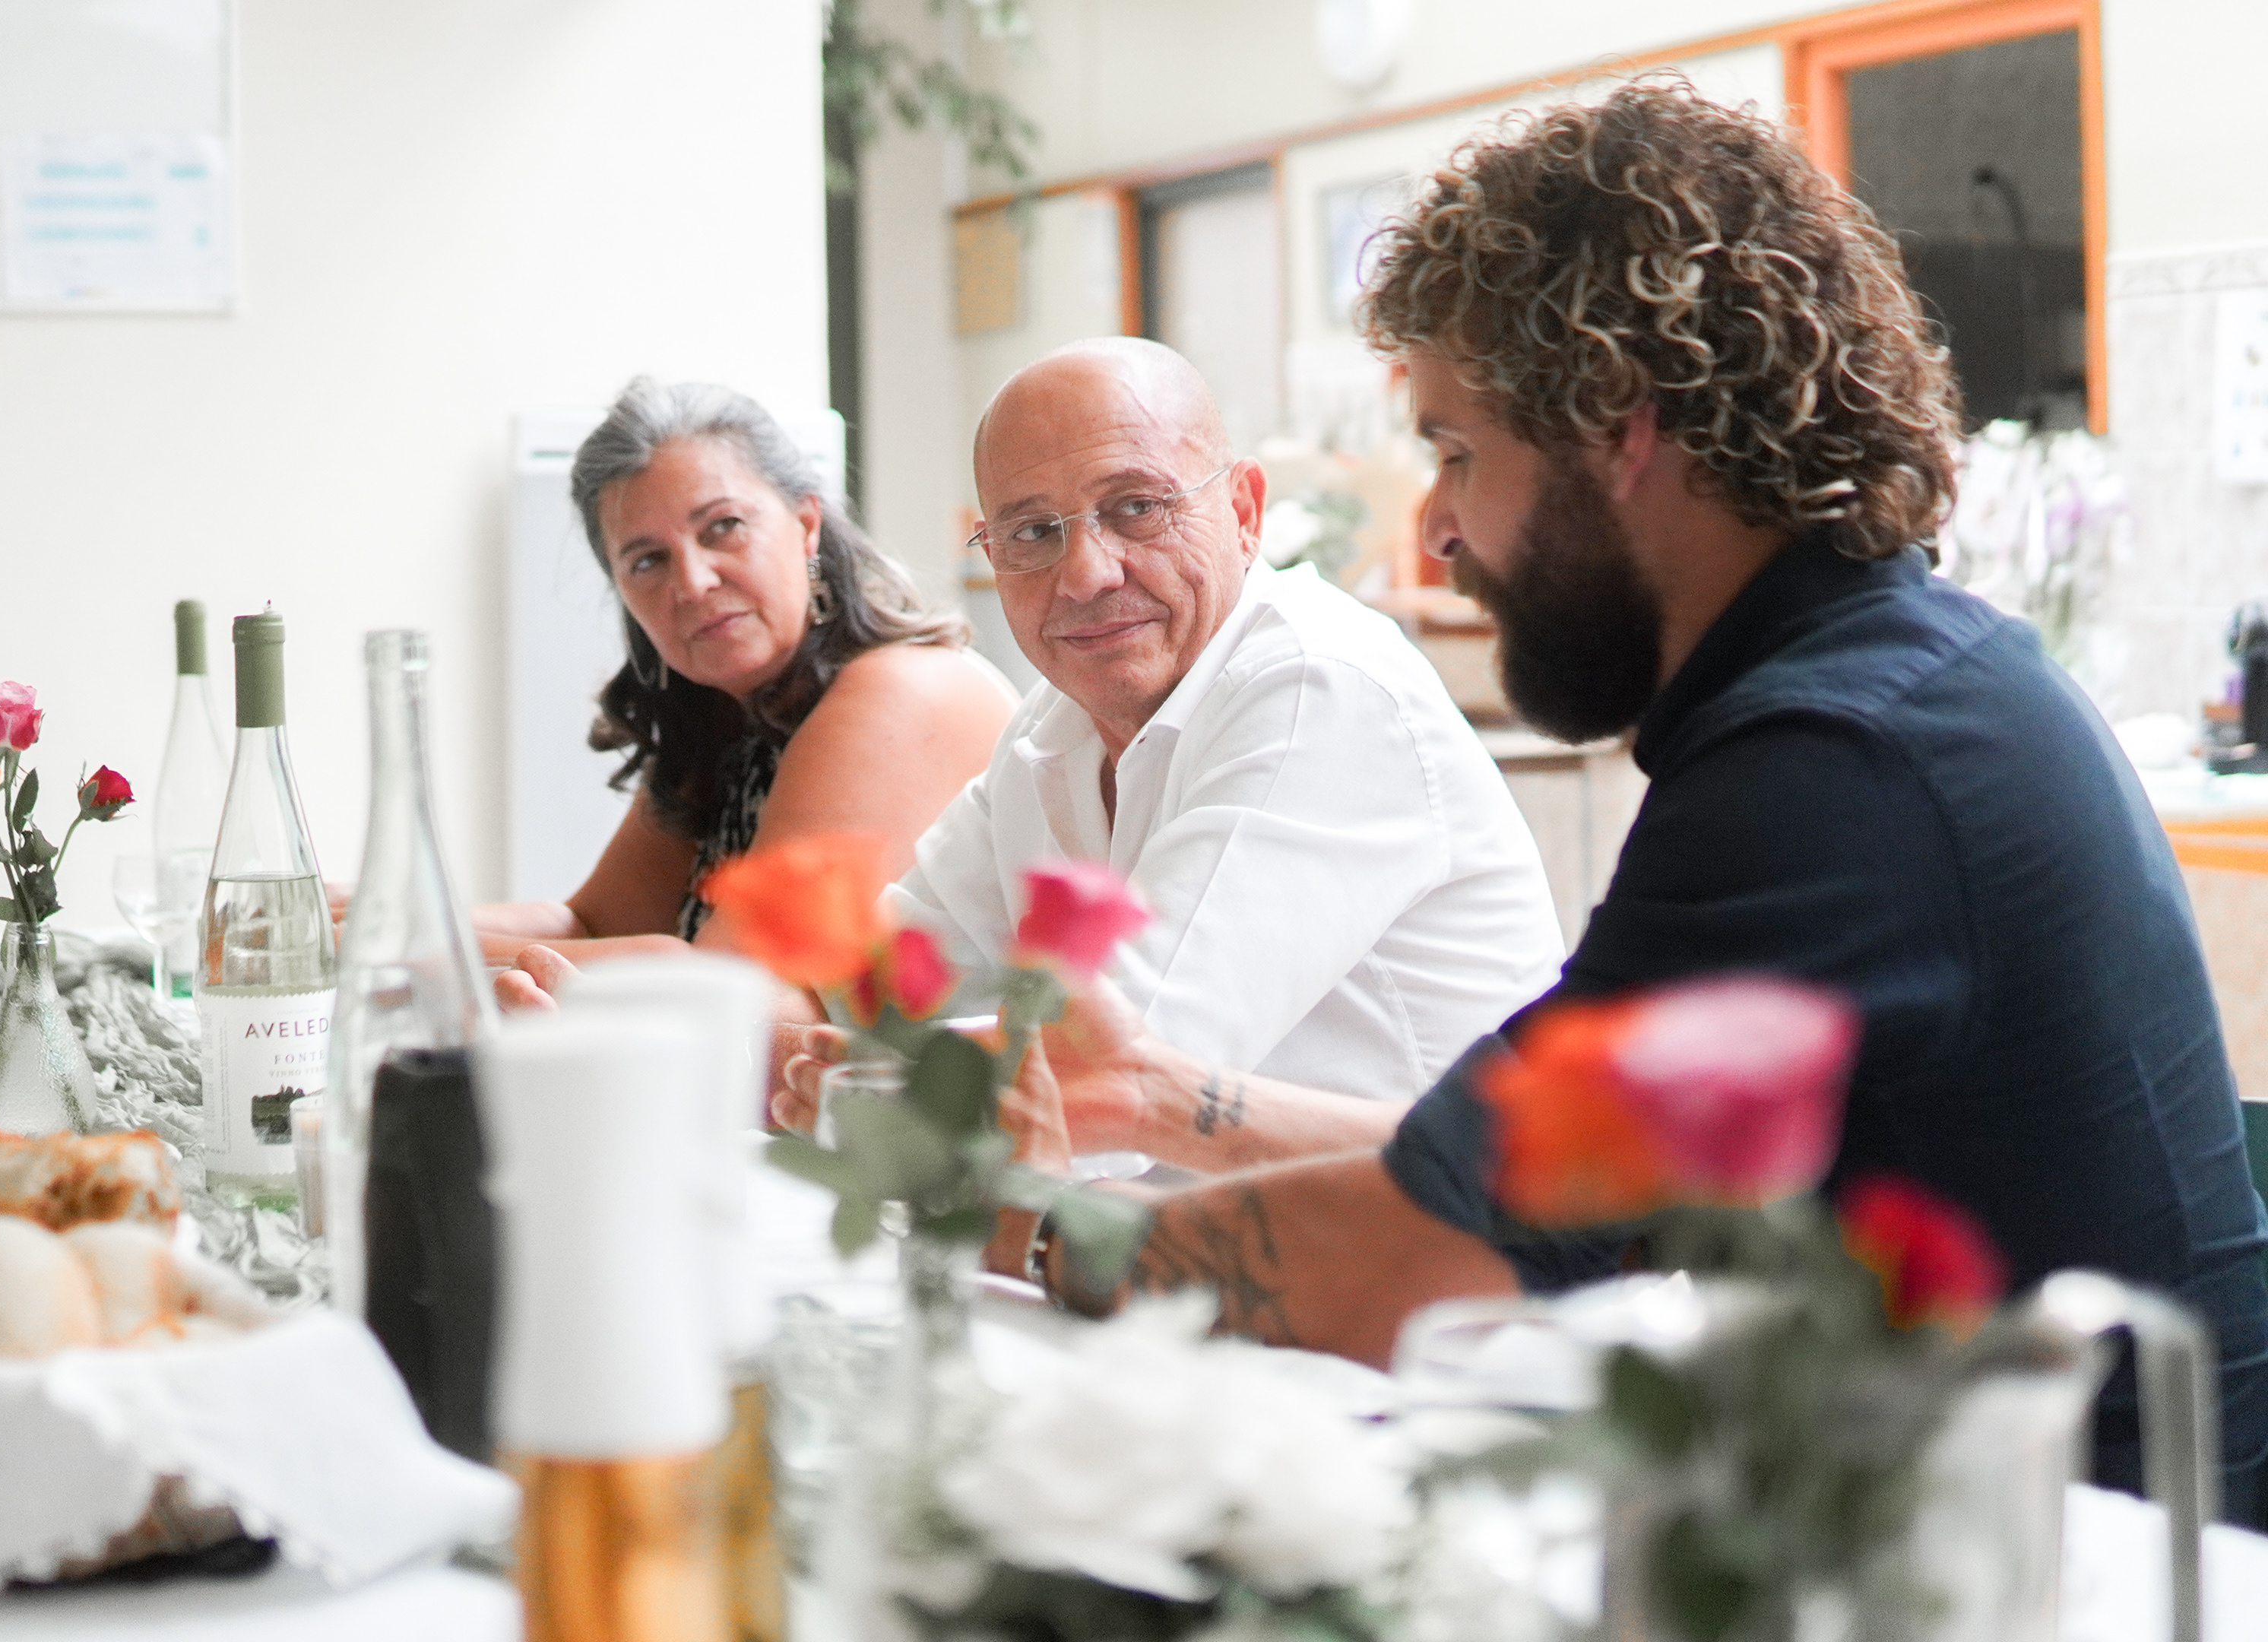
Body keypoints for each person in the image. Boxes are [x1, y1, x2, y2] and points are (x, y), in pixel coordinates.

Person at [1007, 80, 2268, 1525]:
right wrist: (1167, 1102)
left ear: (1618, 428)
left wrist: (1031, 1231)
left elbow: (1418, 1258)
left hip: (2088, 1569)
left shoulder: (1834, 767)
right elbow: (1533, 1171)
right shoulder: (1880, 683)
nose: (1436, 528)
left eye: (1458, 453)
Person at [773, 337, 1563, 1127]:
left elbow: (1119, 1084)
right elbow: (868, 996)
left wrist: (856, 1085)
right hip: (1200, 1206)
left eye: (1137, 508)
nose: (1086, 575)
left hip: (1426, 1208)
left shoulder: (1318, 686)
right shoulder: (1055, 726)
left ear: (1244, 512)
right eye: (1034, 532)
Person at [477, 378, 1014, 1006]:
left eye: (723, 527)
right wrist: (401, 927)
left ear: (806, 525)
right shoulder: (728, 714)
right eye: (648, 561)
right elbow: (593, 925)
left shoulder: (904, 689)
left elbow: (728, 988)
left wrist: (424, 957)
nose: (693, 582)